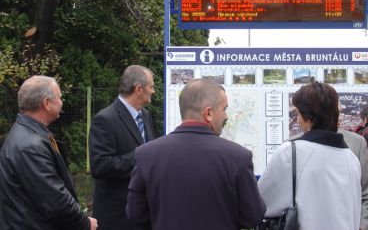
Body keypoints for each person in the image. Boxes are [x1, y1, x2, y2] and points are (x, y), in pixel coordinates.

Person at [126, 79, 266, 230]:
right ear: (208, 113)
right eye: (224, 109)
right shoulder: (238, 157)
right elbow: (253, 216)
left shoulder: (145, 155)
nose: (226, 116)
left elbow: (135, 214)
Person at [258, 81, 361, 230]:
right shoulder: (351, 158)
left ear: (309, 117)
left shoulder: (291, 153)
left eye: (298, 114)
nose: (297, 120)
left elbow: (259, 203)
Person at [0, 76, 97, 230]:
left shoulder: (29, 133)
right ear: (46, 103)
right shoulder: (30, 146)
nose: (62, 102)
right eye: (59, 98)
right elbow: (54, 200)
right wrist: (84, 223)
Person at [89, 65, 155, 230]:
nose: (153, 91)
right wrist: (142, 155)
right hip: (116, 215)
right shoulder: (105, 119)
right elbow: (100, 166)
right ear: (139, 89)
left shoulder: (145, 115)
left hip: (141, 211)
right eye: (151, 87)